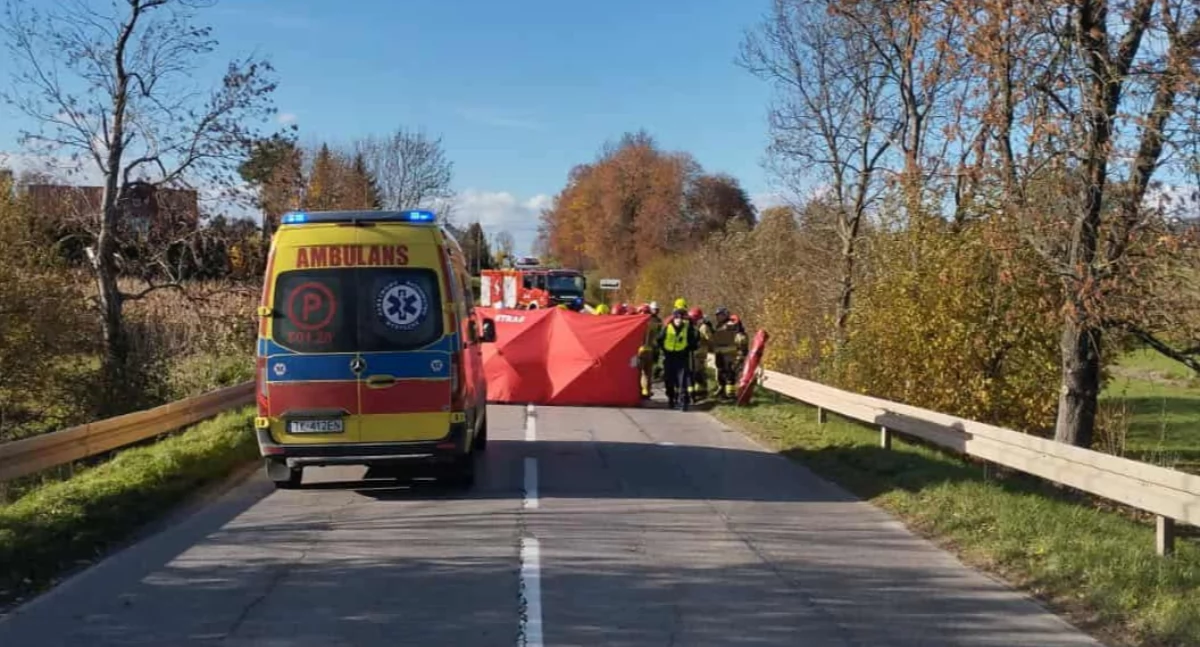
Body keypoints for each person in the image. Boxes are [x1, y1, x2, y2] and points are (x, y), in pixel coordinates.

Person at [656, 307, 699, 411]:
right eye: (677, 318)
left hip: (681, 357)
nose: (679, 320)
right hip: (669, 357)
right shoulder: (667, 328)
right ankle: (671, 398)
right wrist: (664, 350)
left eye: (681, 318)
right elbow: (659, 339)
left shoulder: (688, 329)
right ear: (673, 318)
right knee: (669, 379)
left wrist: (690, 348)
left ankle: (683, 401)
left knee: (682, 380)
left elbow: (694, 340)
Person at [710, 307, 741, 399]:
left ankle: (730, 394)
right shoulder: (719, 325)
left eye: (720, 315)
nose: (718, 317)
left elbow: (729, 331)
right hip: (719, 352)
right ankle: (722, 391)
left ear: (726, 315)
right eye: (717, 315)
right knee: (721, 372)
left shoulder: (730, 324)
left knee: (729, 373)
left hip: (728, 354)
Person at [637, 303, 663, 399]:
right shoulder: (655, 322)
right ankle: (647, 391)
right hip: (650, 349)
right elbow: (659, 335)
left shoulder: (638, 321)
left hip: (640, 350)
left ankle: (639, 391)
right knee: (648, 373)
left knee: (639, 373)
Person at [688, 307, 713, 401]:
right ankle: (699, 392)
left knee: (698, 372)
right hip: (696, 353)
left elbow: (709, 339)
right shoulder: (698, 326)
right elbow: (710, 339)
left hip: (699, 353)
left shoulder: (703, 327)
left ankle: (700, 392)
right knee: (696, 373)